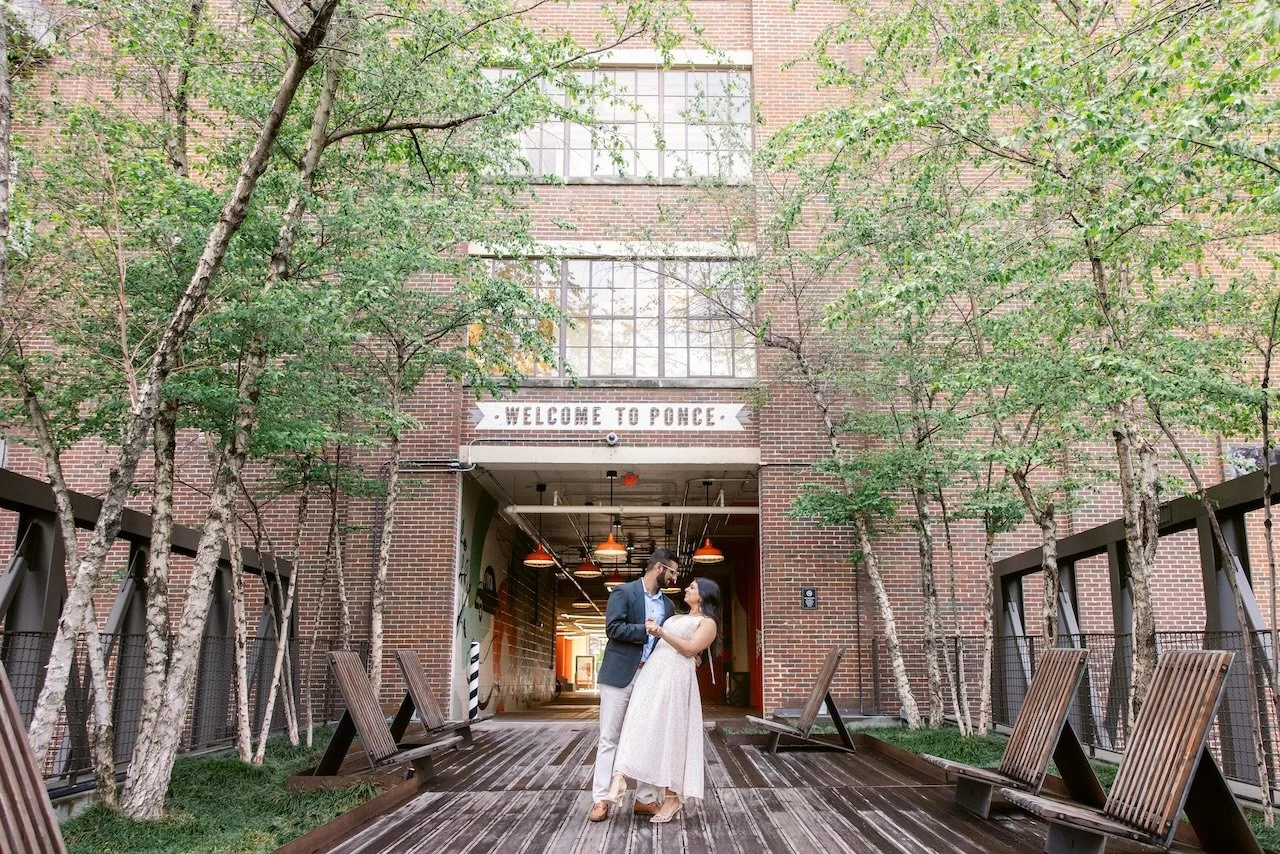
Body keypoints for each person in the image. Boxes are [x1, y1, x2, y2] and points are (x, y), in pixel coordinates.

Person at [608, 577, 721, 824]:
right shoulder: (678, 615)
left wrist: (661, 631)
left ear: (703, 595)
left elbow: (691, 649)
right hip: (654, 673)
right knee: (639, 721)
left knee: (672, 733)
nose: (686, 589)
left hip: (677, 677)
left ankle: (672, 797)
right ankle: (621, 773)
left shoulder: (707, 622)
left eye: (692, 587)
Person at [586, 549, 679, 822]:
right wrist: (644, 629)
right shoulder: (624, 593)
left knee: (648, 738)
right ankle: (601, 800)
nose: (674, 578)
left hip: (651, 679)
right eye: (672, 572)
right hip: (619, 676)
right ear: (659, 568)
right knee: (609, 739)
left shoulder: (669, 607)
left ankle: (645, 799)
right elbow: (613, 628)